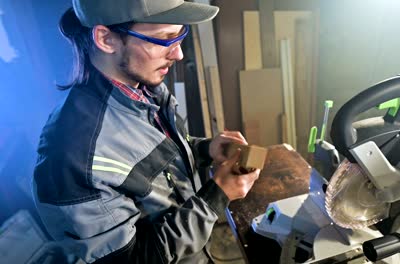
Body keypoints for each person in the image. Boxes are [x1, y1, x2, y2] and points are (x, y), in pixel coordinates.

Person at [31, 0, 260, 263]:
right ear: (106, 39)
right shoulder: (73, 156)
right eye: (165, 39)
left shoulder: (142, 87)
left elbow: (155, 162)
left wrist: (204, 149)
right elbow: (134, 259)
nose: (178, 54)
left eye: (180, 35)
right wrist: (216, 195)